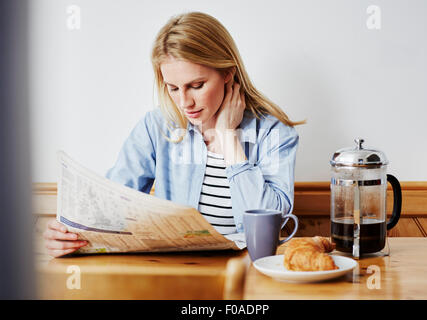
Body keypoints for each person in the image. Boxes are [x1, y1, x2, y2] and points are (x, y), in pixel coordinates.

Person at [44, 11, 305, 258]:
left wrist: (229, 141)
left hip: (247, 270)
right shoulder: (156, 126)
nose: (184, 102)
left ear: (228, 72)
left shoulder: (274, 132)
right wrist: (67, 235)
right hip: (173, 269)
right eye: (173, 88)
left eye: (196, 86)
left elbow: (274, 218)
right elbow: (111, 205)